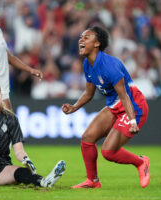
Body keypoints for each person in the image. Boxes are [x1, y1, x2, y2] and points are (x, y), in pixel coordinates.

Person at [62, 26, 150, 188]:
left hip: (134, 106)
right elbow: (88, 94)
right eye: (81, 37)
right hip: (115, 106)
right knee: (87, 138)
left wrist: (132, 121)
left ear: (96, 44)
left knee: (108, 152)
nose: (81, 39)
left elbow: (125, 96)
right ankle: (92, 181)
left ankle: (141, 162)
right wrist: (74, 108)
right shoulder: (87, 64)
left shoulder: (110, 65)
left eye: (86, 37)